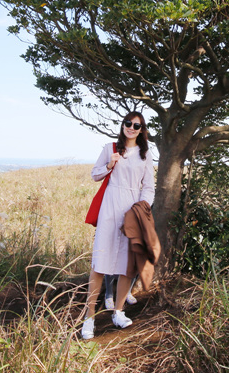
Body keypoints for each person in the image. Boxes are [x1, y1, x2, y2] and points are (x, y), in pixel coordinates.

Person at [81, 111, 155, 340]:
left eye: (136, 125)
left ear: (142, 130)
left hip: (132, 212)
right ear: (122, 125)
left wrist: (141, 209)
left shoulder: (145, 154)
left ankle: (118, 311)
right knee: (100, 262)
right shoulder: (110, 148)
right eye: (128, 123)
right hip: (110, 209)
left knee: (127, 264)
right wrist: (109, 165)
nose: (131, 128)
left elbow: (149, 187)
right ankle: (89, 317)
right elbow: (94, 175)